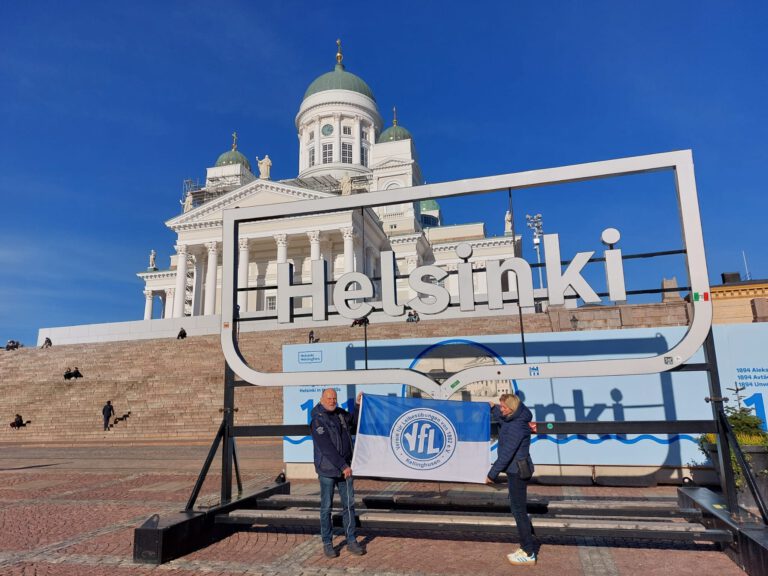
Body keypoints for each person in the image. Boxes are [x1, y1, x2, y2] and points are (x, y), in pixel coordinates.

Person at [310, 389, 365, 558]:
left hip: (345, 470)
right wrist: (343, 466)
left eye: (334, 398)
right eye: (329, 398)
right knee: (326, 508)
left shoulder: (341, 414)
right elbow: (326, 447)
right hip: (328, 470)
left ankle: (351, 540)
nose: (332, 401)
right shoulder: (317, 420)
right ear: (321, 399)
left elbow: (355, 424)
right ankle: (327, 543)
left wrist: (357, 406)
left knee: (349, 506)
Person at [486, 393, 538, 566]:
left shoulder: (516, 426)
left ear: (511, 408)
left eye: (503, 407)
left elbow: (507, 453)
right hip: (515, 470)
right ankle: (525, 547)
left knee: (518, 512)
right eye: (501, 406)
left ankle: (528, 552)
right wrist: (493, 408)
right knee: (518, 509)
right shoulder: (513, 418)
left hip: (517, 472)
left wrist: (491, 474)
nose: (502, 410)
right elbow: (502, 420)